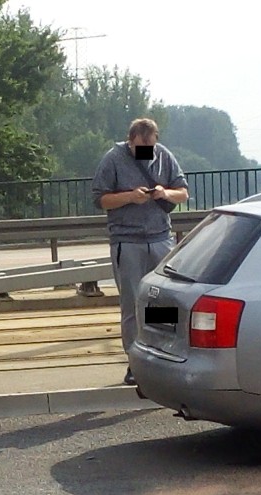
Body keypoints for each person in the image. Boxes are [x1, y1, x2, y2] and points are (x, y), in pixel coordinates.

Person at [91, 117, 189, 385]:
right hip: (127, 240)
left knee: (162, 303)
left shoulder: (164, 156)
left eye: (150, 148)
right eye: (140, 149)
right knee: (133, 303)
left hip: (160, 238)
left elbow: (183, 193)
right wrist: (129, 197)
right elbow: (100, 199)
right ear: (130, 141)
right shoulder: (113, 158)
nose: (146, 154)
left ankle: (162, 358)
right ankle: (135, 363)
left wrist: (164, 193)